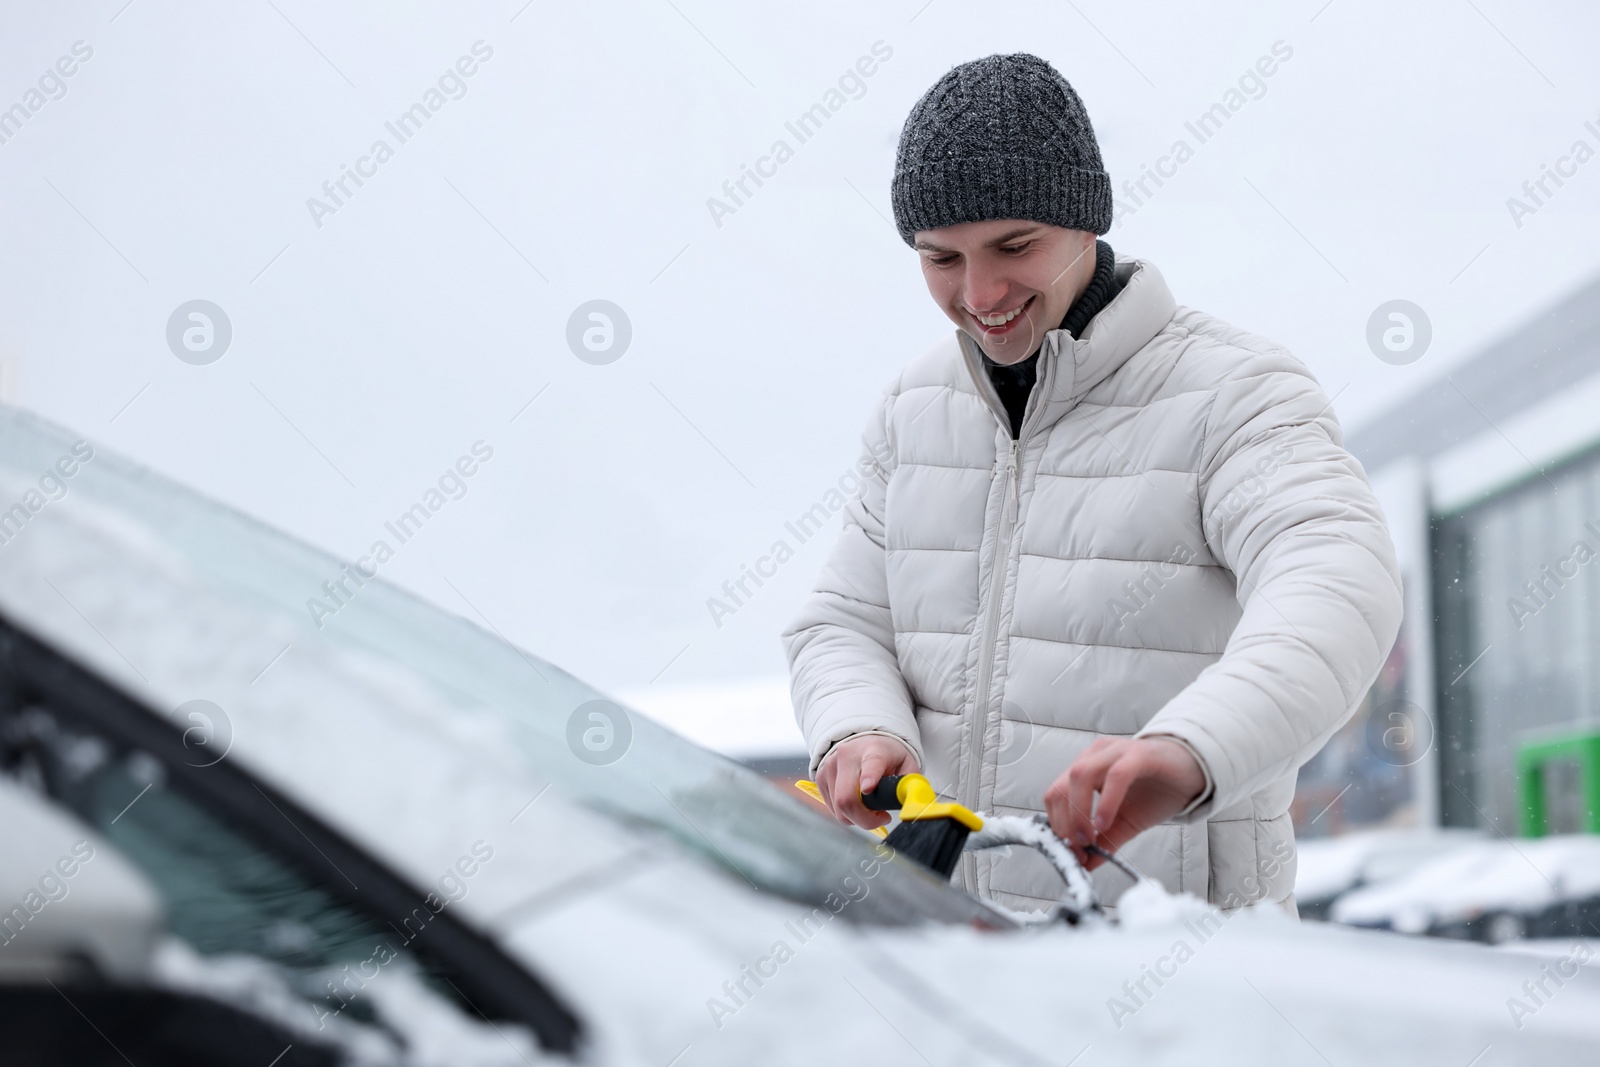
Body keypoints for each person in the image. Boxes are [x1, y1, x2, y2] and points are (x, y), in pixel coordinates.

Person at [782, 53, 1402, 915]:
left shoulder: (1233, 391)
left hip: (1174, 966)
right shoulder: (913, 410)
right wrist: (859, 727)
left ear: (1085, 223)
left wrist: (1195, 747)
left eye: (1014, 246)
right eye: (941, 259)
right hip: (953, 954)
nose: (981, 291)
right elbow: (843, 623)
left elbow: (1339, 582)